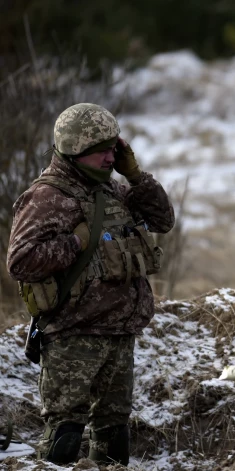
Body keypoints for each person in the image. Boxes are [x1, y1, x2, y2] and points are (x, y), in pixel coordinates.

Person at [7, 103, 175, 465]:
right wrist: (77, 243)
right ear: (73, 151)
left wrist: (136, 176)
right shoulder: (46, 197)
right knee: (64, 438)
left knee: (114, 438)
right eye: (101, 151)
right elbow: (21, 261)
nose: (110, 157)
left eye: (114, 149)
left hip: (119, 333)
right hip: (74, 336)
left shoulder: (112, 191)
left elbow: (163, 219)